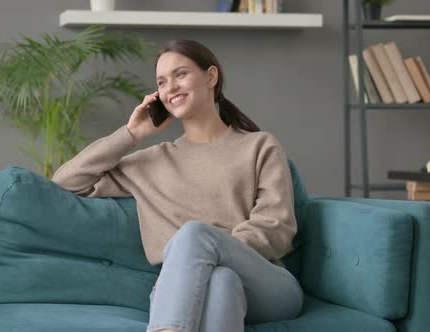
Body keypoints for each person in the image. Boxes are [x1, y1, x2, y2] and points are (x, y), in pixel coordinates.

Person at [52, 39, 303, 332]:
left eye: (180, 74)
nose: (170, 87)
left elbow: (276, 226)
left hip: (268, 283)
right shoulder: (151, 162)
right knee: (222, 281)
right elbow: (65, 183)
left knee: (195, 235)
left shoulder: (259, 146)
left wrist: (201, 256)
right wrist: (131, 134)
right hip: (202, 287)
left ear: (211, 76)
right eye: (161, 81)